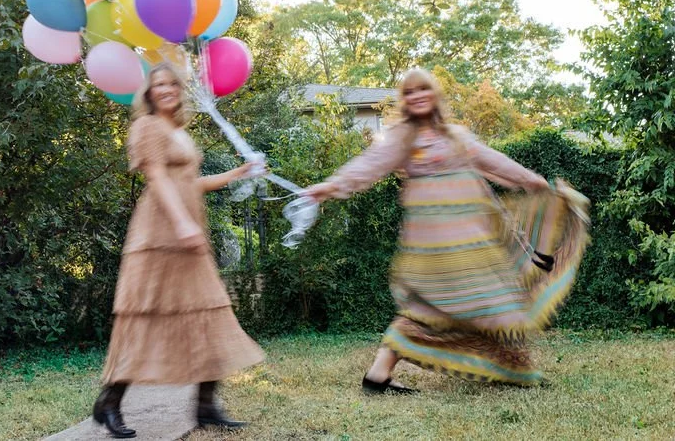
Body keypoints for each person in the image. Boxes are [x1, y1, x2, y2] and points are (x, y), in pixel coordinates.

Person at [304, 67, 590, 393]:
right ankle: (515, 370)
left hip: (472, 243)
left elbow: (491, 160)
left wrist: (530, 180)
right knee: (467, 305)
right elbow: (368, 165)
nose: (417, 96)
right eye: (409, 93)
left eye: (422, 89)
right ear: (405, 101)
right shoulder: (402, 138)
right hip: (435, 248)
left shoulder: (455, 136)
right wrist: (328, 187)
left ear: (434, 94)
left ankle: (379, 372)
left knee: (471, 304)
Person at [93, 63, 265, 438]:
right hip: (159, 236)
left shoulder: (178, 130)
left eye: (173, 83)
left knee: (210, 313)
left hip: (189, 237)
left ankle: (205, 406)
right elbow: (156, 177)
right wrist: (182, 222)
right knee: (146, 317)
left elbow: (190, 182)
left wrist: (239, 173)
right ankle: (109, 402)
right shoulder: (147, 127)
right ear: (148, 93)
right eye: (159, 84)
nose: (167, 89)